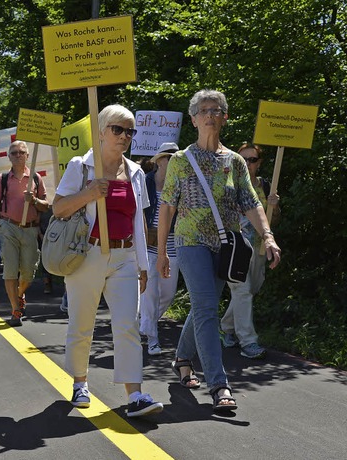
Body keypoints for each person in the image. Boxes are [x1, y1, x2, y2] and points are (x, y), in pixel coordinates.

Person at [156, 89, 282, 413]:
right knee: (207, 309)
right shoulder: (182, 162)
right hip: (190, 242)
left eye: (217, 110)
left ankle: (182, 358)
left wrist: (267, 236)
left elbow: (251, 202)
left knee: (204, 307)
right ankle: (219, 384)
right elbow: (167, 208)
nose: (210, 114)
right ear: (194, 119)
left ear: (224, 118)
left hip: (226, 245)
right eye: (204, 110)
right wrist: (161, 253)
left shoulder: (236, 162)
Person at [52, 104, 163, 418]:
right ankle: (79, 383)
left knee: (128, 326)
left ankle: (135, 394)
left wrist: (143, 266)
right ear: (100, 131)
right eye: (118, 129)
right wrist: (88, 194)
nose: (125, 136)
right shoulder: (80, 166)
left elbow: (139, 225)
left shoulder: (136, 171)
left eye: (130, 131)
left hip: (125, 257)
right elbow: (59, 209)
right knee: (82, 323)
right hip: (86, 255)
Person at [220, 143, 281, 359]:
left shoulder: (264, 186)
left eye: (252, 160)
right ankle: (248, 342)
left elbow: (273, 220)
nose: (248, 163)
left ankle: (226, 328)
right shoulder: (228, 184)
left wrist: (274, 205)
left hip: (259, 248)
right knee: (242, 291)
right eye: (243, 159)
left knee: (250, 290)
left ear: (259, 163)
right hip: (235, 247)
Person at [0, 140, 49, 327]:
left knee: (29, 272)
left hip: (30, 228)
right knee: (10, 269)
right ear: (9, 157)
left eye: (21, 152)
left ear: (28, 156)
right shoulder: (2, 179)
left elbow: (46, 206)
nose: (18, 155)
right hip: (8, 227)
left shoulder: (36, 178)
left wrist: (35, 200)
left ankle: (20, 294)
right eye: (14, 153)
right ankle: (15, 309)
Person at [140, 142, 180, 356]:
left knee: (167, 294)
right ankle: (152, 338)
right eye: (168, 157)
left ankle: (145, 321)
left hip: (172, 245)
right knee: (150, 293)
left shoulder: (181, 184)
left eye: (176, 158)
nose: (172, 161)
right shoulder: (145, 182)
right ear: (159, 161)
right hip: (149, 244)